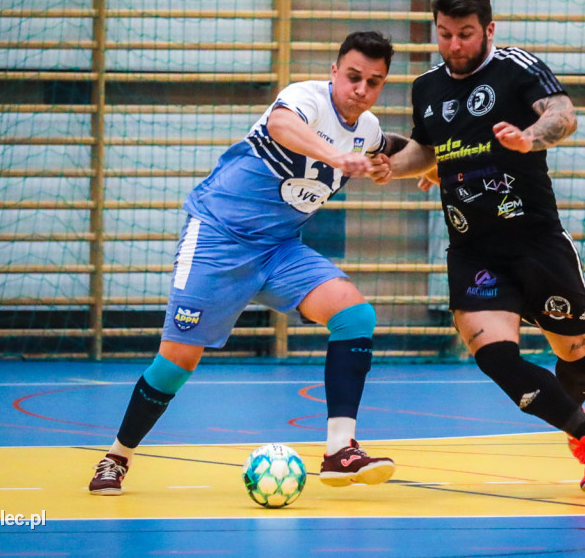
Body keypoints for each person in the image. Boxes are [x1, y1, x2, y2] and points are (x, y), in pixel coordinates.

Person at [89, 31, 405, 495]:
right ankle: (117, 455)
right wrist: (335, 155)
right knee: (177, 361)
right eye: (353, 76)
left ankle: (340, 451)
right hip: (218, 237)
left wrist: (425, 169)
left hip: (279, 248)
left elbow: (391, 146)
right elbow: (281, 126)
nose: (361, 89)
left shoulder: (368, 129)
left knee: (355, 315)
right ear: (335, 72)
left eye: (374, 82)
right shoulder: (305, 99)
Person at [378, 0, 585, 492]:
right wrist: (388, 167)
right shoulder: (427, 87)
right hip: (473, 249)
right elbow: (426, 152)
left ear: (488, 30)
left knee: (580, 367)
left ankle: (579, 407)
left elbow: (563, 115)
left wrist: (528, 138)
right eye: (444, 35)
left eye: (465, 35)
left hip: (535, 242)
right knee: (494, 356)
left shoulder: (517, 68)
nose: (454, 46)